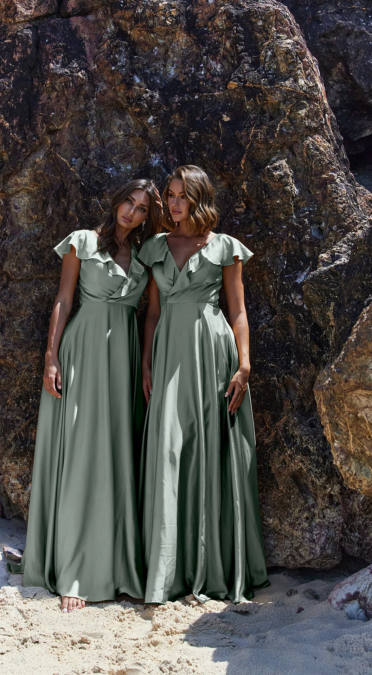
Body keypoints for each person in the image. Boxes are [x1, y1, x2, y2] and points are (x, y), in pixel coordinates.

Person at [7, 179, 163, 612]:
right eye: (128, 203)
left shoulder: (148, 258)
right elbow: (63, 299)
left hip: (124, 361)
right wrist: (51, 356)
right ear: (116, 202)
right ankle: (75, 569)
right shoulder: (82, 242)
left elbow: (152, 314)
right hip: (81, 351)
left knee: (117, 457)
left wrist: (147, 364)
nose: (131, 213)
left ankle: (118, 568)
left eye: (142, 209)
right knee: (80, 454)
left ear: (150, 217)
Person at [138, 165, 269, 605]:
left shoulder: (226, 248)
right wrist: (146, 362)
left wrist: (245, 365)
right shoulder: (156, 245)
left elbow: (238, 312)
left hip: (214, 355)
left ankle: (213, 568)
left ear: (199, 199)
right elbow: (152, 313)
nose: (174, 205)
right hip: (170, 354)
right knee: (169, 451)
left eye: (182, 197)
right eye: (170, 196)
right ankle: (167, 571)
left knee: (212, 453)